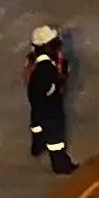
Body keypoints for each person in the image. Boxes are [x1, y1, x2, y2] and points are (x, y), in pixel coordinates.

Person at [25, 24, 73, 172]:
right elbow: (50, 88)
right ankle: (61, 165)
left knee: (37, 123)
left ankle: (38, 146)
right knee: (55, 136)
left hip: (37, 103)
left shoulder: (34, 62)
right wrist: (58, 82)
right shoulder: (46, 68)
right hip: (50, 107)